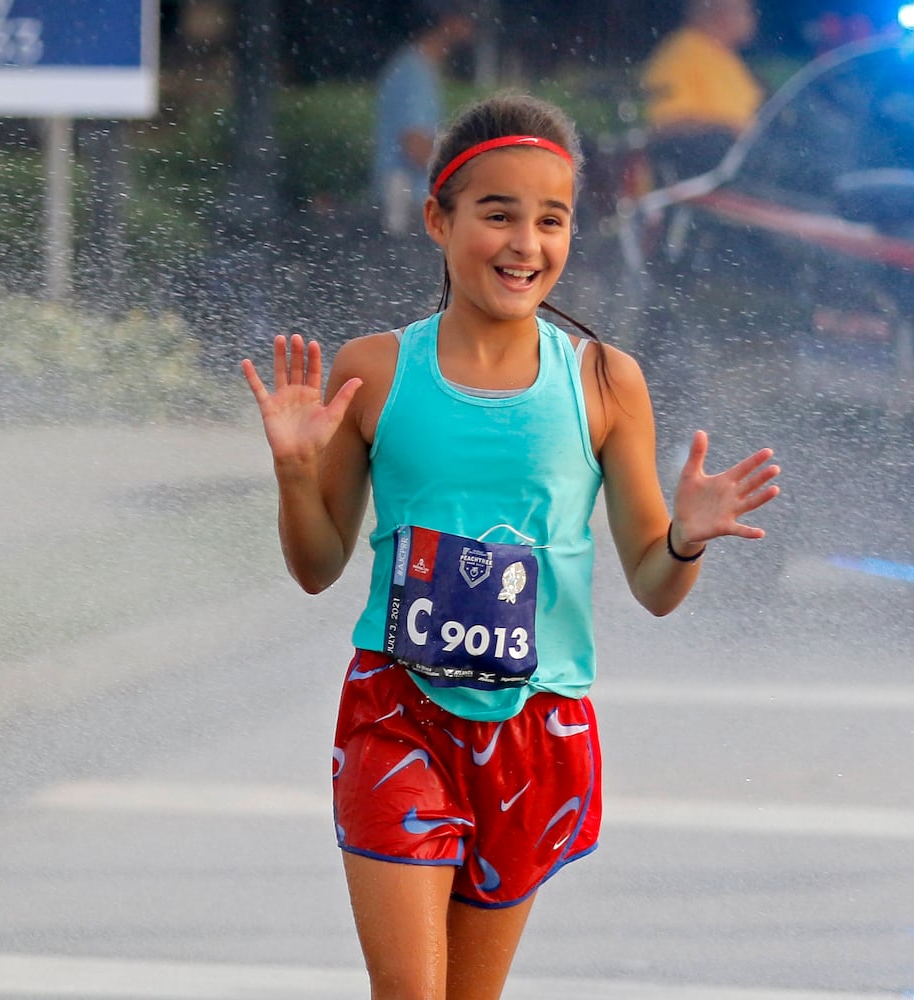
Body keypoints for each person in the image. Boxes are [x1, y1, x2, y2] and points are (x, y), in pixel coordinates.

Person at [240, 92, 780, 999]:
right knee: (411, 990)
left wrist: (683, 538)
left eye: (551, 219)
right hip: (395, 711)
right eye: (497, 215)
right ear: (437, 220)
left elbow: (652, 583)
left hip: (537, 728)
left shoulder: (606, 382)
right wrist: (296, 472)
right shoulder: (371, 371)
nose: (525, 243)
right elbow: (315, 566)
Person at [373, 0, 476, 237]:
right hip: (409, 207)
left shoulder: (416, 67)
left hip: (413, 204)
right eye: (466, 17)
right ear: (447, 21)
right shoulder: (414, 73)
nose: (471, 28)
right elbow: (416, 146)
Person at [641, 0, 764, 182]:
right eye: (746, 12)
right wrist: (731, 132)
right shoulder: (681, 56)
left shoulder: (723, 55)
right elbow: (666, 126)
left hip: (746, 169)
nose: (753, 19)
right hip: (711, 180)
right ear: (721, 14)